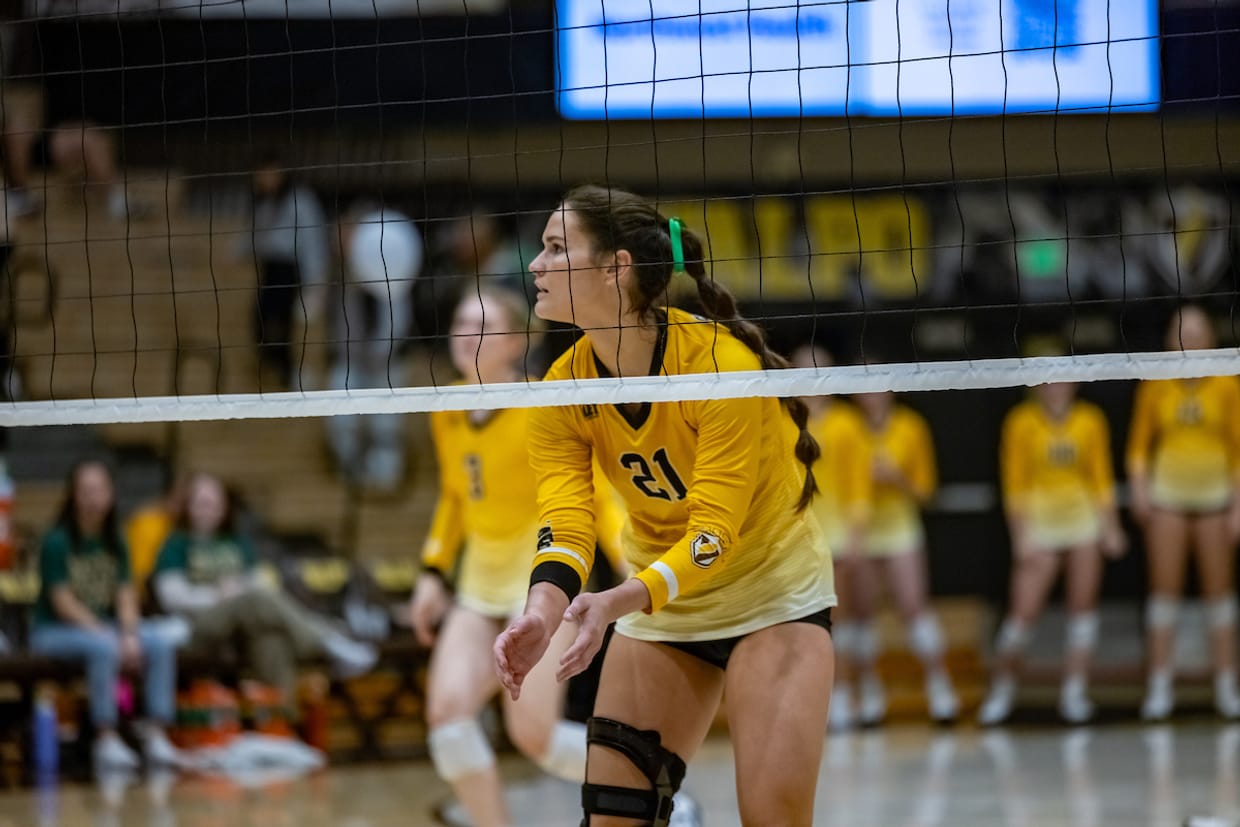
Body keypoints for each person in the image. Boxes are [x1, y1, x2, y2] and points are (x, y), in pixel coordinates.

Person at [493, 185, 836, 827]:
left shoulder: (719, 368)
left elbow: (714, 535)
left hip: (770, 597)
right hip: (666, 602)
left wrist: (614, 603)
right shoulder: (562, 386)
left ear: (615, 267)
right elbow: (567, 519)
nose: (535, 265)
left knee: (773, 818)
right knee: (615, 817)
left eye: (556, 248)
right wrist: (543, 611)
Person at [411, 286, 652, 827]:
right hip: (478, 584)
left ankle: (658, 798)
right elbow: (456, 496)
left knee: (533, 735)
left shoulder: (541, 400)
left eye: (483, 326)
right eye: (459, 323)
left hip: (543, 584)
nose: (466, 336)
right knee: (448, 723)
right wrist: (431, 571)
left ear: (518, 339)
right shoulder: (446, 409)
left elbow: (596, 492)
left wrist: (635, 570)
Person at [152, 472, 377, 708]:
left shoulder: (236, 543)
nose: (208, 509)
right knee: (254, 600)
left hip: (242, 626)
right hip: (200, 625)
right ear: (188, 506)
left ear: (224, 507)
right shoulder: (176, 544)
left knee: (271, 637)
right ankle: (327, 641)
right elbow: (171, 596)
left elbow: (265, 584)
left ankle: (279, 724)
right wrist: (218, 595)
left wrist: (239, 589)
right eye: (201, 503)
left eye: (214, 503)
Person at [978, 380, 1126, 726]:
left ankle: (1074, 692)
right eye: (1047, 380)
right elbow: (1014, 482)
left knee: (1083, 612)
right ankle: (1002, 690)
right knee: (1021, 616)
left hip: (1082, 519)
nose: (1056, 387)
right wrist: (1021, 537)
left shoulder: (1091, 419)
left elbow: (1101, 476)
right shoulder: (1020, 421)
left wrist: (1111, 527)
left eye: (1062, 378)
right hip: (1040, 523)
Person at [29, 460, 182, 772]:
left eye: (99, 489)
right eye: (85, 490)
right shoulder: (56, 541)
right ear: (73, 495)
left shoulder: (117, 540)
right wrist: (110, 636)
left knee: (159, 643)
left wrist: (129, 634)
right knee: (103, 648)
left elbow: (125, 594)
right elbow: (63, 602)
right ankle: (106, 737)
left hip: (104, 628)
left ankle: (156, 732)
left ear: (111, 494)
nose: (92, 497)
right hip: (53, 631)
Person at [1127, 305, 1240, 720]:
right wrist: (1140, 492)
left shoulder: (1228, 383)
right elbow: (1138, 448)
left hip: (1214, 499)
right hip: (1168, 498)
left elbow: (1238, 451)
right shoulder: (1156, 385)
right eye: (1182, 331)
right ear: (1169, 339)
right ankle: (1159, 688)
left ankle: (1227, 686)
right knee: (1164, 594)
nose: (1189, 338)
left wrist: (1238, 507)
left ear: (1211, 337)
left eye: (1197, 330)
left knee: (1220, 595)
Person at [849, 387, 959, 725]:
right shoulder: (847, 428)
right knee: (862, 612)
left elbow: (927, 491)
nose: (872, 395)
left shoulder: (911, 427)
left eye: (878, 387)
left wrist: (897, 478)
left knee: (913, 606)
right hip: (862, 530)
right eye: (864, 390)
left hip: (900, 529)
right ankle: (870, 693)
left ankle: (940, 688)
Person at [792, 343, 872, 731]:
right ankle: (811, 702)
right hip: (795, 540)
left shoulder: (847, 423)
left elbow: (859, 486)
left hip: (836, 538)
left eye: (819, 370)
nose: (813, 378)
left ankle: (842, 698)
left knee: (834, 622)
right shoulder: (786, 419)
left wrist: (856, 539)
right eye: (805, 370)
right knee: (798, 627)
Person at [325, 200, 423, 491]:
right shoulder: (340, 273)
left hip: (387, 360)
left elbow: (398, 315)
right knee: (340, 413)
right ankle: (349, 471)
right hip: (350, 359)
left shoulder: (387, 261)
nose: (341, 238)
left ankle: (385, 477)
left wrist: (382, 351)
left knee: (385, 421)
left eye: (347, 232)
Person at [242, 155, 331, 390]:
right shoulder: (263, 204)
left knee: (284, 326)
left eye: (269, 174)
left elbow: (313, 243)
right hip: (269, 270)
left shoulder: (300, 201)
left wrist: (315, 283)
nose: (264, 180)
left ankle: (291, 375)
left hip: (289, 272)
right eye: (260, 175)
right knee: (260, 324)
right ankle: (274, 369)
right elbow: (252, 237)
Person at [124, 471, 189, 603]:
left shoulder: (189, 528)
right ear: (168, 495)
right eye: (182, 501)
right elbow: (140, 578)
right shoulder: (147, 524)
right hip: (150, 603)